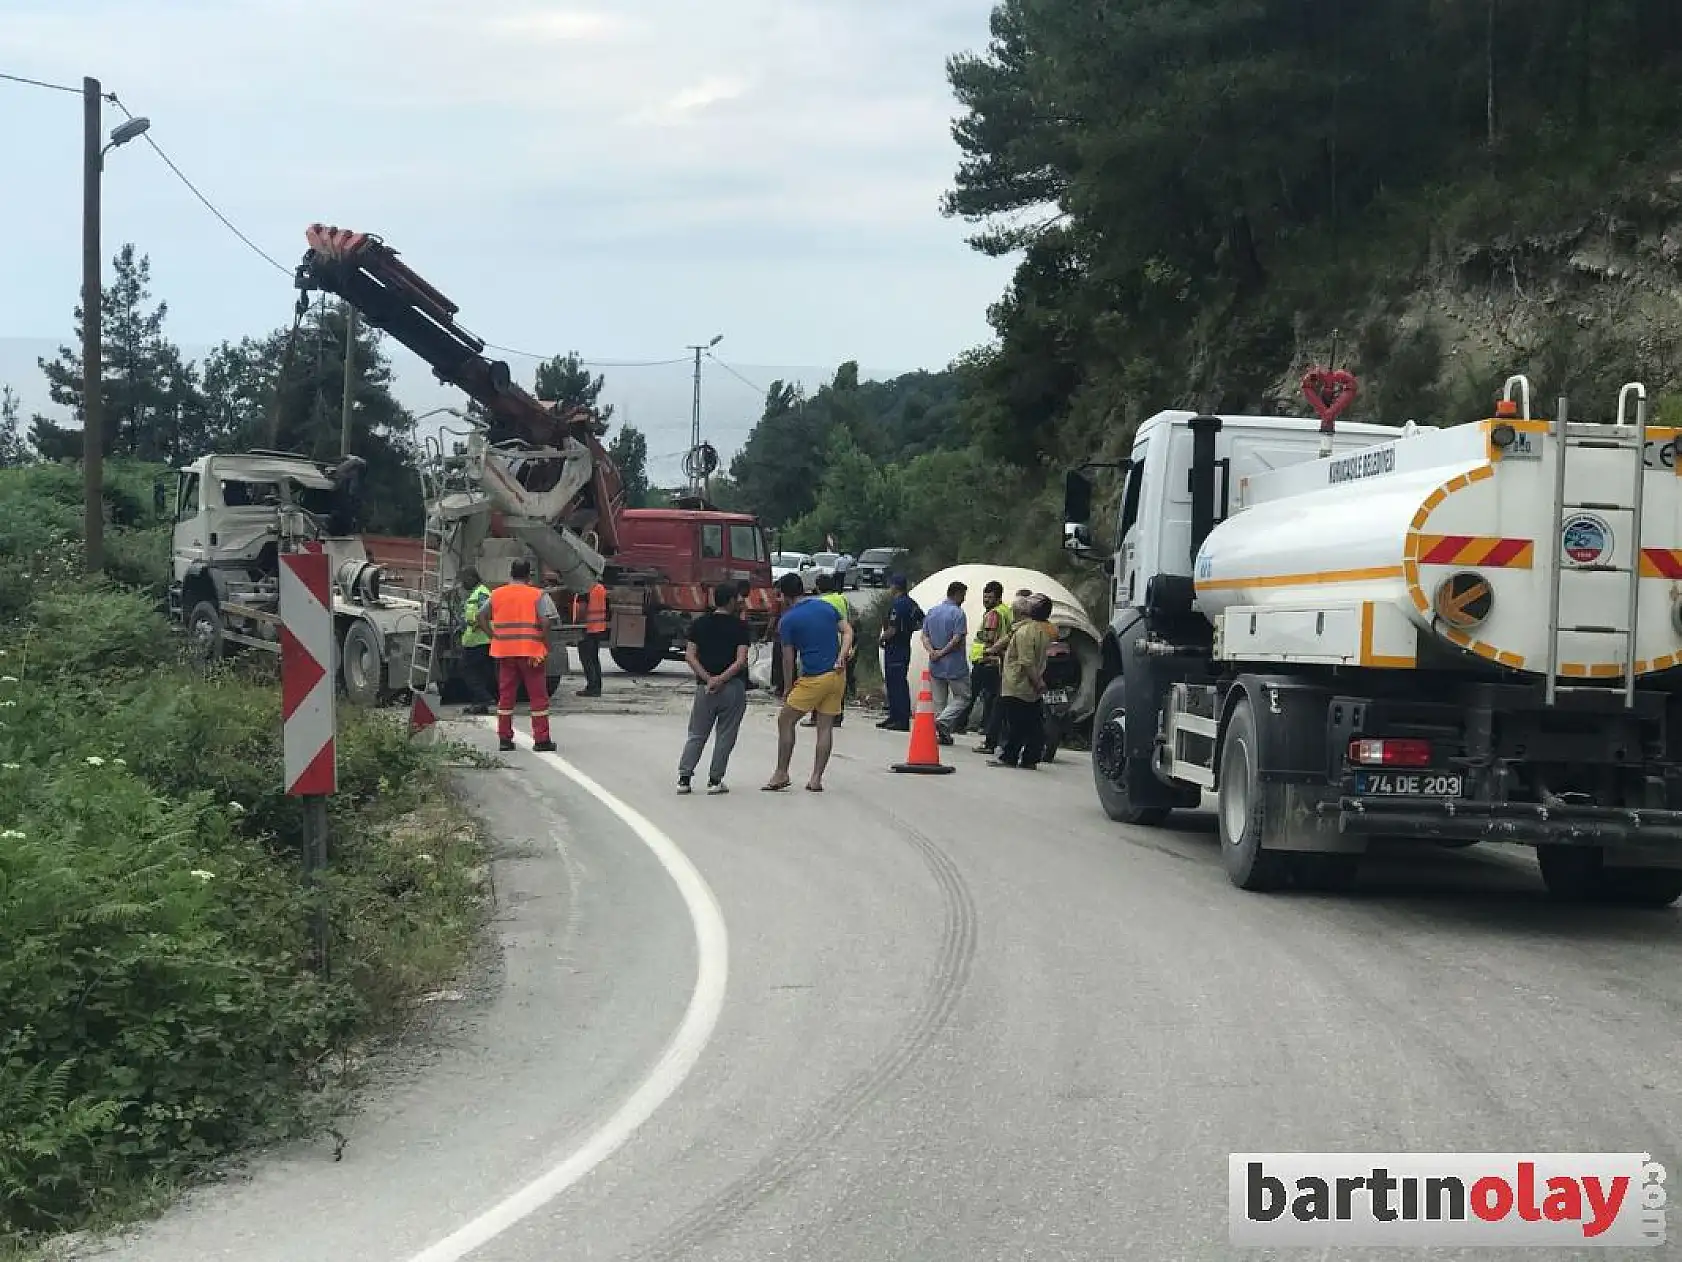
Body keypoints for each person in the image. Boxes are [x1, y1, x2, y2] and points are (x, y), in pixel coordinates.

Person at [764, 572, 853, 793]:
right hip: (837, 675)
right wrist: (842, 655)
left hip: (814, 678)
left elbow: (788, 658)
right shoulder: (825, 607)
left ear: (784, 595)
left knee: (785, 721)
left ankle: (781, 772)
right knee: (825, 727)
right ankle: (815, 778)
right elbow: (848, 631)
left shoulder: (788, 620)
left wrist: (787, 686)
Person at [478, 558, 560, 753]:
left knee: (506, 696)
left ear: (511, 573)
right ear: (528, 575)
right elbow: (547, 622)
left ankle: (504, 739)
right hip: (531, 653)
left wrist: (493, 636)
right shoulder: (537, 594)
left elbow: (480, 617)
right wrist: (542, 640)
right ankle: (541, 740)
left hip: (505, 653)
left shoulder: (497, 594)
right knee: (538, 697)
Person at [678, 583, 752, 795]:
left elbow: (690, 656)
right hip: (733, 687)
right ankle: (714, 781)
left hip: (705, 688)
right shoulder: (740, 627)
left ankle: (684, 778)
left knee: (697, 733)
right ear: (730, 601)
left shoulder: (699, 624)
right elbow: (741, 660)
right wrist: (721, 679)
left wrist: (708, 679)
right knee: (725, 735)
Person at [993, 593, 1057, 770]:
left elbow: (1027, 662)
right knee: (1031, 724)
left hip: (1018, 685)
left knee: (1018, 724)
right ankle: (1028, 757)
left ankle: (1011, 757)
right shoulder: (1040, 630)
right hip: (1027, 686)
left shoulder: (1025, 632)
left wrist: (1038, 682)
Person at [975, 590, 1031, 755]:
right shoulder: (1041, 626)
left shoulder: (1020, 627)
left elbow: (1000, 639)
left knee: (1001, 707)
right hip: (1024, 675)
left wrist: (990, 651)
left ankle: (998, 744)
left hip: (1014, 674)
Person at [953, 580, 1011, 738]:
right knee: (991, 697)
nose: (986, 601)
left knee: (970, 694)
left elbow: (990, 636)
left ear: (998, 598)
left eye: (990, 598)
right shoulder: (1006, 611)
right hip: (997, 660)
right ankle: (986, 727)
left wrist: (986, 652)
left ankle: (959, 723)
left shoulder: (993, 614)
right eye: (985, 597)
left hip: (985, 660)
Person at [920, 580, 970, 745]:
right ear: (957, 594)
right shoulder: (958, 613)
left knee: (939, 700)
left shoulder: (933, 612)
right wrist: (943, 652)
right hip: (954, 664)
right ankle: (943, 721)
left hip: (935, 663)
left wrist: (932, 651)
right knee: (963, 697)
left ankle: (943, 733)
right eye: (963, 595)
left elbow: (924, 636)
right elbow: (957, 638)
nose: (963, 599)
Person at [803, 573, 855, 728]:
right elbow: (851, 620)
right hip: (843, 643)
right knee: (839, 680)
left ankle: (816, 716)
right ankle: (837, 716)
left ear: (818, 587)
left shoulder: (820, 602)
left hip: (826, 645)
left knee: (819, 679)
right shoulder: (842, 598)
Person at [876, 575, 921, 732]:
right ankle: (894, 716)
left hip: (895, 648)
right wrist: (908, 630)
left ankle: (900, 719)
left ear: (895, 586)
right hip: (904, 646)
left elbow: (893, 628)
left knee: (896, 684)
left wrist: (882, 638)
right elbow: (921, 621)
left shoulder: (898, 605)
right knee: (896, 682)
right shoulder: (911, 603)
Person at [458, 567, 496, 717]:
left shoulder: (481, 593)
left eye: (464, 579)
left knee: (467, 670)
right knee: (480, 673)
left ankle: (485, 698)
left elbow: (483, 615)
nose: (463, 583)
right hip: (477, 640)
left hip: (479, 641)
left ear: (472, 578)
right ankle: (479, 705)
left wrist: (474, 624)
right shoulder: (477, 592)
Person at [575, 577, 609, 697]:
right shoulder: (600, 588)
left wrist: (577, 622)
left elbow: (582, 609)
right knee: (594, 658)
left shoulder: (584, 589)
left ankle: (592, 687)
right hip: (598, 628)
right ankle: (597, 686)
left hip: (587, 629)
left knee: (586, 659)